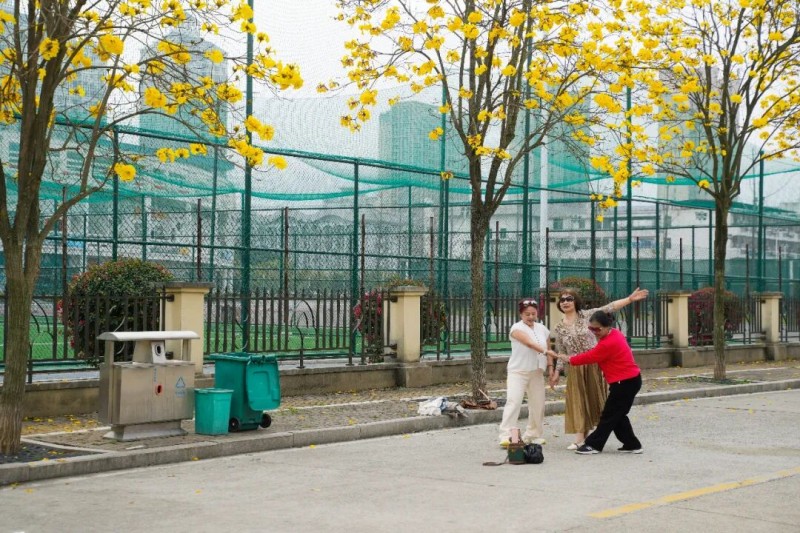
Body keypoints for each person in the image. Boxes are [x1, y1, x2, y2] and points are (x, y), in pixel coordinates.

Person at [550, 287, 649, 449]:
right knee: (579, 402)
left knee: (606, 405)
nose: (565, 302)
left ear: (576, 301)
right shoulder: (559, 327)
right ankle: (581, 437)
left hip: (594, 363)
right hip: (575, 365)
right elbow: (561, 350)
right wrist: (556, 371)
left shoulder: (589, 316)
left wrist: (629, 299)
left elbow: (610, 307)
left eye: (569, 299)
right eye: (562, 300)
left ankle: (601, 441)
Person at [498, 298, 552, 447]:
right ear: (521, 314)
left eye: (533, 314)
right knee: (514, 401)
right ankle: (506, 435)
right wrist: (546, 351)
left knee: (538, 404)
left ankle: (533, 434)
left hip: (537, 371)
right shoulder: (516, 328)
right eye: (527, 314)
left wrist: (551, 366)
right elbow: (529, 343)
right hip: (518, 371)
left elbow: (548, 347)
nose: (530, 317)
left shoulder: (542, 328)